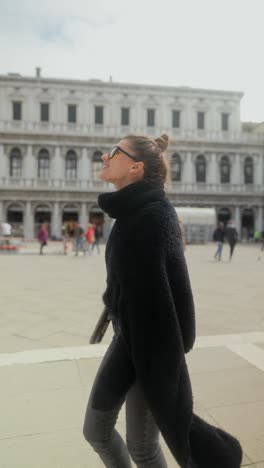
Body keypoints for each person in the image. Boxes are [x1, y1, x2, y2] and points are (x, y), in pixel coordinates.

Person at [83, 134, 242, 467]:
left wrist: (161, 368)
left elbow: (173, 299)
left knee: (141, 446)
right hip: (128, 338)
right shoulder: (131, 214)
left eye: (114, 152)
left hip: (151, 350)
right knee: (96, 430)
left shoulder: (154, 216)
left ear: (136, 166)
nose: (104, 156)